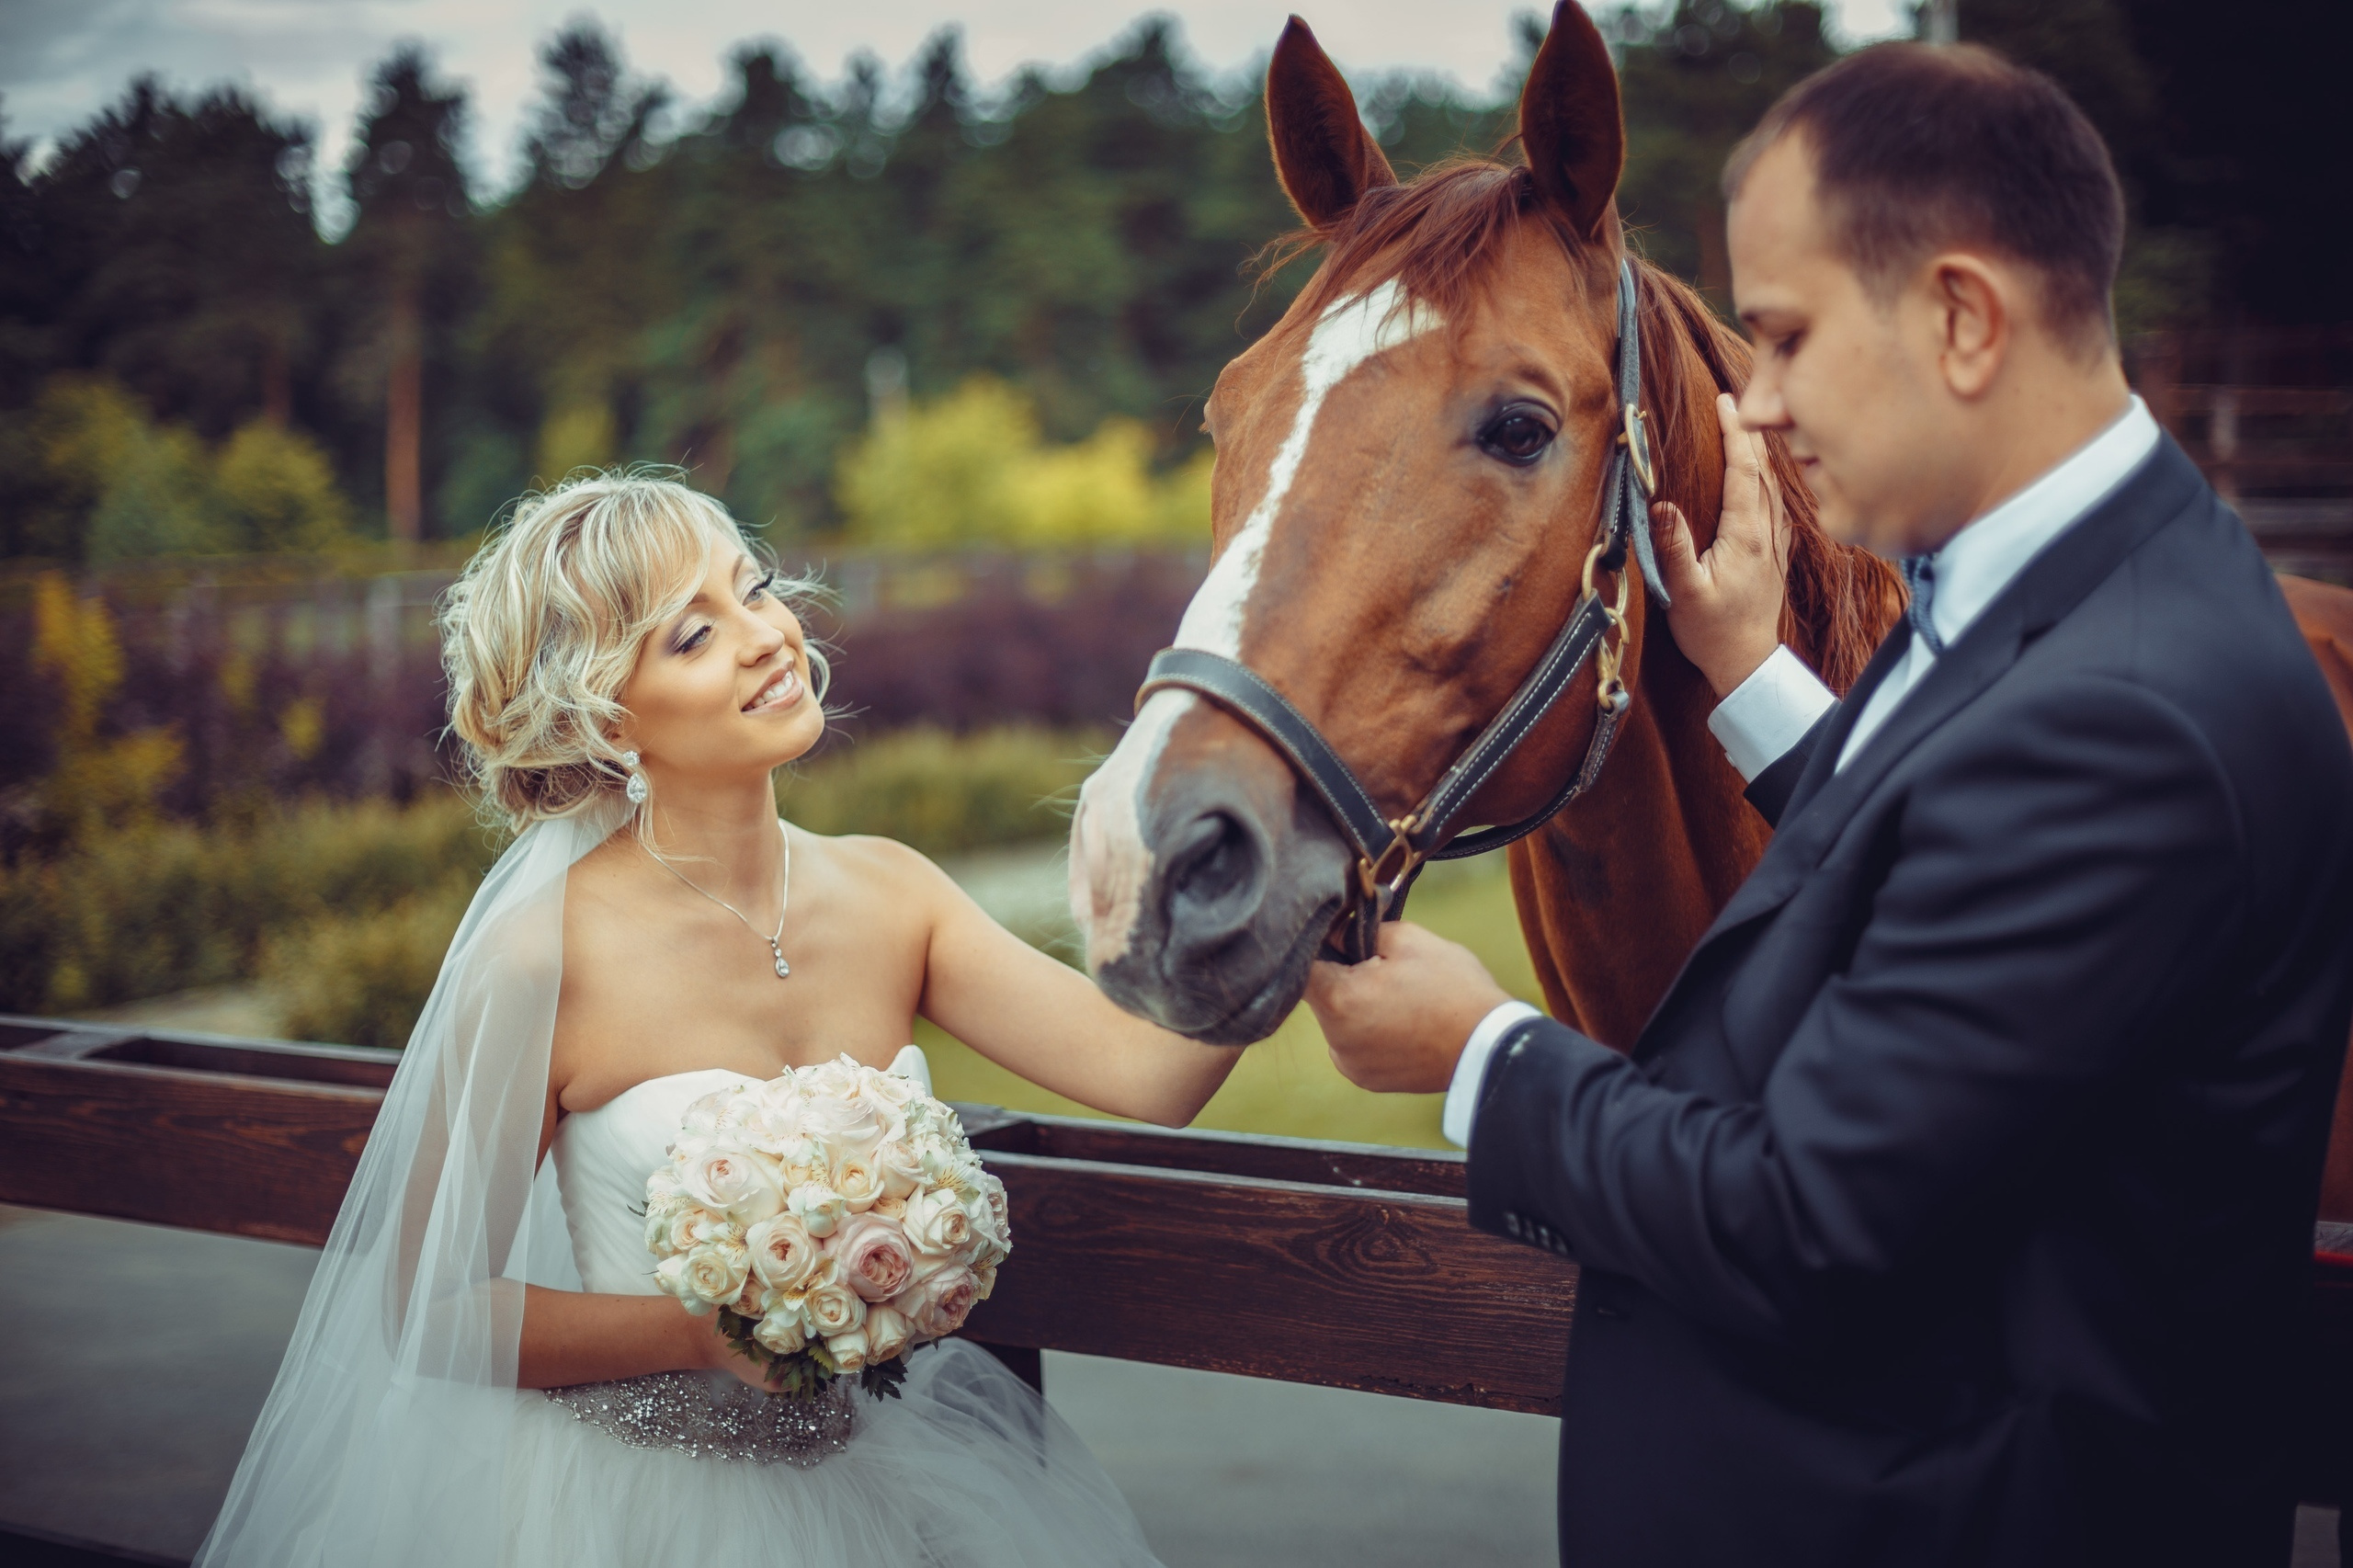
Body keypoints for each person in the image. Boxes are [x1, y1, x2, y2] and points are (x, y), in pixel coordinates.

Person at [1307, 42, 2353, 1567]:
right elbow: (1978, 867)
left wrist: (1483, 1059)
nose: (1765, 401)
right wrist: (1749, 672)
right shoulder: (2101, 588)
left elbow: (1809, 1222)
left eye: (1787, 337)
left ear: (1961, 317)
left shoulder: (2126, 706)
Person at [197, 472, 1237, 1567]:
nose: (766, 636)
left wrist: (1317, 884)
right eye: (696, 634)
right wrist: (699, 1330)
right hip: (627, 1515)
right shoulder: (540, 958)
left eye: (756, 588)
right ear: (603, 713)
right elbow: (432, 1308)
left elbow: (1151, 1073)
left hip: (870, 1494)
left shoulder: (894, 893)